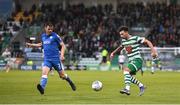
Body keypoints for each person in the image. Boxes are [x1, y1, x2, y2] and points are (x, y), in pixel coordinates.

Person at [26, 22, 76, 95]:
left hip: (56, 59)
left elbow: (63, 46)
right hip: (47, 59)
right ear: (45, 28)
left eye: (51, 29)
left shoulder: (55, 36)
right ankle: (42, 88)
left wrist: (61, 55)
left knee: (62, 76)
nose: (50, 30)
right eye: (49, 29)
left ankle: (70, 82)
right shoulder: (43, 36)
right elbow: (41, 44)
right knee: (44, 73)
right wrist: (31, 45)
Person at [110, 26, 158, 96]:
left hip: (137, 60)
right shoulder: (124, 41)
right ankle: (141, 86)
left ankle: (127, 89)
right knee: (128, 76)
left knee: (126, 70)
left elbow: (148, 41)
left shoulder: (135, 38)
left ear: (126, 32)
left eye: (122, 34)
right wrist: (113, 53)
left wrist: (153, 51)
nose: (121, 36)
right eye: (120, 34)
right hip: (131, 61)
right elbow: (120, 47)